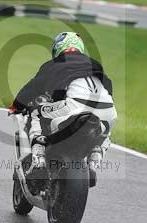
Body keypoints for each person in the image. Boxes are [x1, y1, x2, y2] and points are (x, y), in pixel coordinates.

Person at [12, 31, 117, 177]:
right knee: (105, 133)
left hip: (75, 105)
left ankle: (39, 161)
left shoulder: (54, 64)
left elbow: (33, 87)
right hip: (108, 109)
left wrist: (16, 106)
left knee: (36, 113)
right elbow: (108, 85)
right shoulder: (94, 64)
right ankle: (94, 162)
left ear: (58, 48)